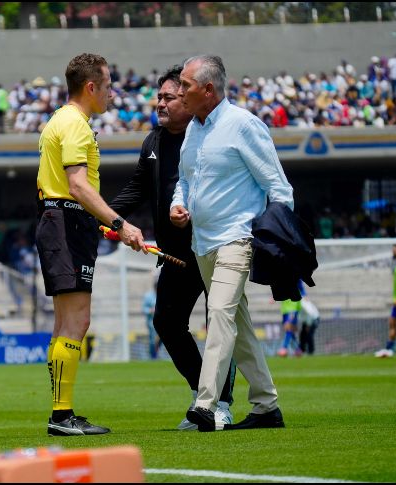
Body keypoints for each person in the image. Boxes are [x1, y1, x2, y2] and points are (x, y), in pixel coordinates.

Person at [171, 55, 293, 431]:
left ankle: (207, 403)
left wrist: (277, 239)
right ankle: (266, 406)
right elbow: (185, 181)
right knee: (237, 325)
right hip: (202, 242)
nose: (179, 92)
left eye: (185, 85)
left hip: (238, 239)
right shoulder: (193, 130)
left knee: (219, 314)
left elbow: (279, 187)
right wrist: (179, 202)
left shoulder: (243, 125)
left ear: (208, 90)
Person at [109, 65, 235, 431]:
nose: (160, 103)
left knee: (219, 326)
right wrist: (101, 214)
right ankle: (203, 397)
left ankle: (220, 404)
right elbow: (136, 187)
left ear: (188, 98)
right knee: (166, 321)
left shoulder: (209, 137)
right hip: (175, 256)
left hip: (212, 248)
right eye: (159, 97)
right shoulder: (153, 142)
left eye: (168, 97)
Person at [36, 53, 146, 437]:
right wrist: (119, 223)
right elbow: (77, 185)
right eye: (109, 84)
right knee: (76, 322)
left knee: (64, 322)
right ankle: (62, 415)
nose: (113, 93)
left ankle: (61, 412)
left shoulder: (63, 120)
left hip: (62, 221)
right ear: (91, 87)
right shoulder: (75, 124)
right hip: (66, 222)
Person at [277, 281, 306, 357]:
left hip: (293, 308)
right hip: (285, 310)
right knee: (289, 330)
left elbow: (302, 290)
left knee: (289, 327)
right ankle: (298, 350)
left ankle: (284, 348)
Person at [141, 277, 159, 360]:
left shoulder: (165, 294)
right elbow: (144, 309)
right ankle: (153, 357)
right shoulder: (148, 296)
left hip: (163, 322)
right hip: (151, 322)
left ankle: (156, 353)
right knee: (153, 339)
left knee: (163, 338)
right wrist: (150, 310)